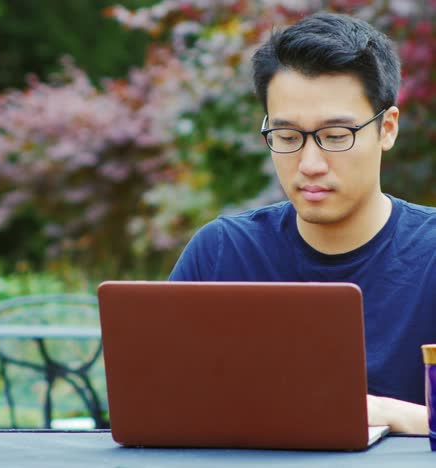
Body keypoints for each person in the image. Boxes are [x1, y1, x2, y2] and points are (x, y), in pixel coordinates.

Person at [168, 12, 436, 434]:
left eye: (335, 136)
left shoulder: (430, 255)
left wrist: (388, 414)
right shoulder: (222, 254)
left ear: (386, 129)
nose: (310, 165)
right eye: (288, 137)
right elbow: (156, 405)